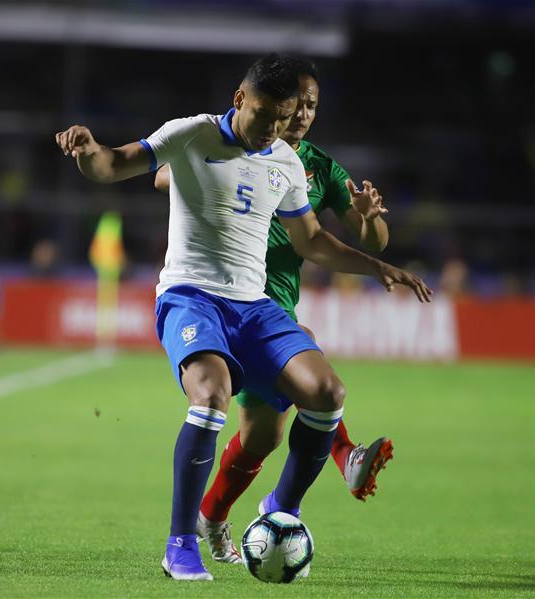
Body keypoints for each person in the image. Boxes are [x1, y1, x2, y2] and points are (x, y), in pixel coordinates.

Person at [55, 53, 431, 582]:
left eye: (285, 118)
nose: (274, 129)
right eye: (266, 116)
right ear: (239, 99)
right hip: (192, 297)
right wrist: (87, 147)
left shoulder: (287, 162)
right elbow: (113, 164)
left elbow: (313, 241)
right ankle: (180, 545)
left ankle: (282, 512)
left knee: (327, 395)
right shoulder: (191, 134)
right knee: (211, 397)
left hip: (255, 306)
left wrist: (377, 266)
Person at [154, 58, 394, 566]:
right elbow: (166, 172)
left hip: (269, 302)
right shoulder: (227, 138)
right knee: (246, 399)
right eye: (294, 105)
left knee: (262, 437)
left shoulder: (317, 167)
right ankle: (336, 459)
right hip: (220, 296)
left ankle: (216, 517)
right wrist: (199, 173)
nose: (302, 115)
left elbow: (347, 237)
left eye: (310, 106)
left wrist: (371, 228)